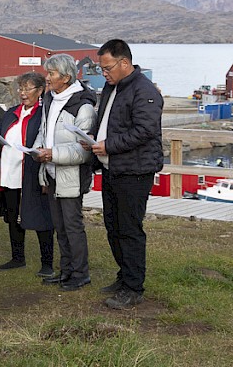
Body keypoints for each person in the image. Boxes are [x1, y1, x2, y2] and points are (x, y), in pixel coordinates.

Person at [89, 39, 164, 309]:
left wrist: (108, 145)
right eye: (101, 69)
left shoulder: (144, 91)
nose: (104, 73)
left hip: (134, 171)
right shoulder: (112, 88)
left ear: (124, 63)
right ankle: (124, 276)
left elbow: (144, 131)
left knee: (130, 229)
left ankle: (134, 287)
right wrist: (93, 137)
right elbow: (108, 122)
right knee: (113, 226)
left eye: (107, 67)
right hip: (112, 168)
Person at [33, 54, 97, 291]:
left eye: (51, 74)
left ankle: (81, 273)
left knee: (72, 226)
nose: (47, 78)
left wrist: (53, 154)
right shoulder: (50, 99)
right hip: (50, 172)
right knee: (59, 225)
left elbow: (84, 150)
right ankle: (66, 270)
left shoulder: (84, 106)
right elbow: (44, 130)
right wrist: (39, 149)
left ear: (67, 77)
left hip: (70, 175)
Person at [0, 72, 55, 277]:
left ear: (40, 90)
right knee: (12, 216)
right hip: (9, 173)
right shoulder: (11, 113)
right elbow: (2, 139)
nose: (23, 93)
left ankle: (47, 262)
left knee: (41, 218)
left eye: (28, 89)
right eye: (20, 88)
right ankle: (17, 257)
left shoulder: (44, 114)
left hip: (31, 175)